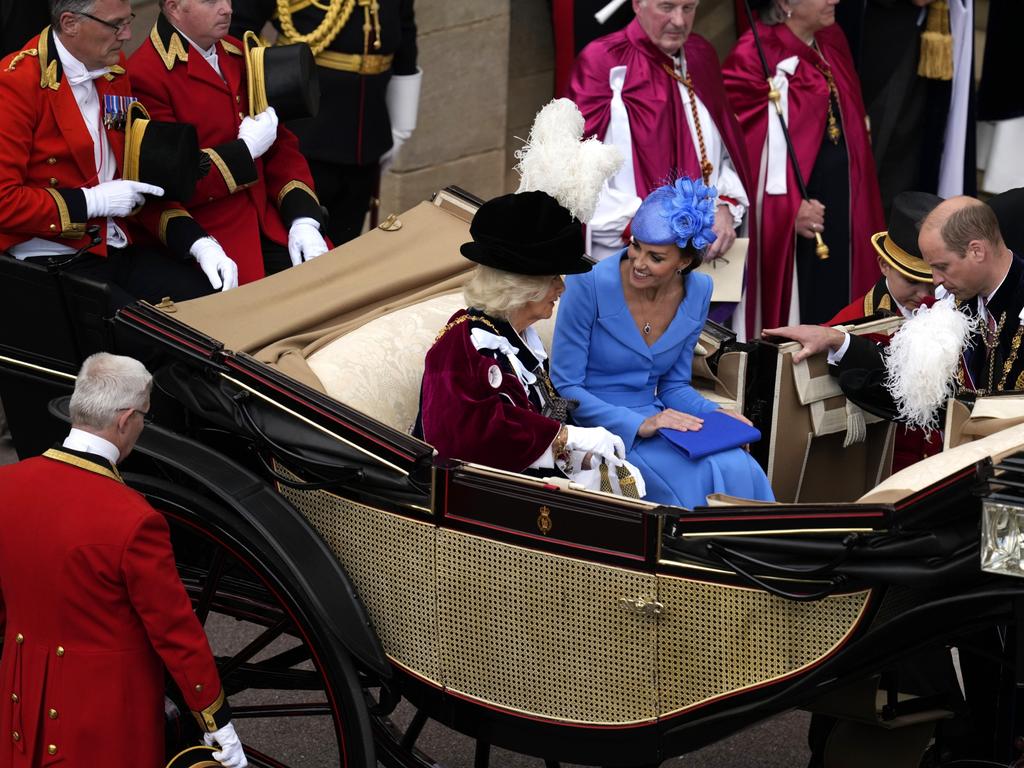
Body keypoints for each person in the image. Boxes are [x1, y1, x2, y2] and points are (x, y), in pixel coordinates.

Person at [0, 353, 246, 768]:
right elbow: (175, 632)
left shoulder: (6, 485)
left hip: (23, 696)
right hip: (107, 714)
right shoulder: (134, 519)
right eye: (144, 417)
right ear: (126, 418)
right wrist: (216, 721)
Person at [551, 178, 774, 508]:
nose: (639, 262)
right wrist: (639, 424)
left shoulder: (698, 291)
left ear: (684, 262)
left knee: (740, 465)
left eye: (656, 257)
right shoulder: (587, 285)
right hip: (600, 430)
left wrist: (716, 417)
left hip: (661, 421)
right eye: (636, 245)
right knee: (695, 481)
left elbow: (674, 386)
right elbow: (566, 386)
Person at [0, 0, 239, 306]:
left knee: (213, 306)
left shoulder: (114, 69)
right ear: (70, 23)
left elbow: (135, 178)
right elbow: (5, 200)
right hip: (51, 257)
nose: (127, 35)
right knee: (162, 343)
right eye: (116, 25)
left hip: (117, 246)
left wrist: (197, 242)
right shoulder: (16, 82)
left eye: (129, 21)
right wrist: (93, 201)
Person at [417, 191, 630, 484]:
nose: (561, 289)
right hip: (475, 498)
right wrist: (568, 437)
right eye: (554, 278)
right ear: (522, 287)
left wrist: (580, 455)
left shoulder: (521, 337)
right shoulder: (463, 346)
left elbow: (538, 416)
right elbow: (467, 438)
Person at [128, 0, 329, 286]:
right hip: (214, 238)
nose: (227, 9)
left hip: (271, 222)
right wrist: (244, 152)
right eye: (211, 1)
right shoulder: (146, 75)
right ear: (173, 7)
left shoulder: (238, 52)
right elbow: (168, 185)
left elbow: (281, 148)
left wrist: (303, 219)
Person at [723, 0, 884, 330]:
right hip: (800, 225)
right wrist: (786, 209)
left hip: (844, 211)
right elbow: (743, 154)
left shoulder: (831, 40)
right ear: (785, 3)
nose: (835, 0)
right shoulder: (754, 55)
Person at [564, 0, 753, 270]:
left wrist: (724, 208)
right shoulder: (603, 60)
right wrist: (651, 231)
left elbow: (724, 152)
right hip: (631, 256)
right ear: (638, 5)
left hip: (703, 254)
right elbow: (578, 170)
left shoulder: (701, 55)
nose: (679, 21)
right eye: (667, 7)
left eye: (688, 8)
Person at [767, 191, 943, 470]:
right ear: (884, 265)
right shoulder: (851, 322)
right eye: (913, 281)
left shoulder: (957, 305)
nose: (925, 295)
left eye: (933, 282)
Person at [229, 0, 419, 246]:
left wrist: (401, 124)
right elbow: (238, 30)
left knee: (347, 246)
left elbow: (404, 39)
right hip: (305, 132)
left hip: (367, 134)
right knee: (297, 245)